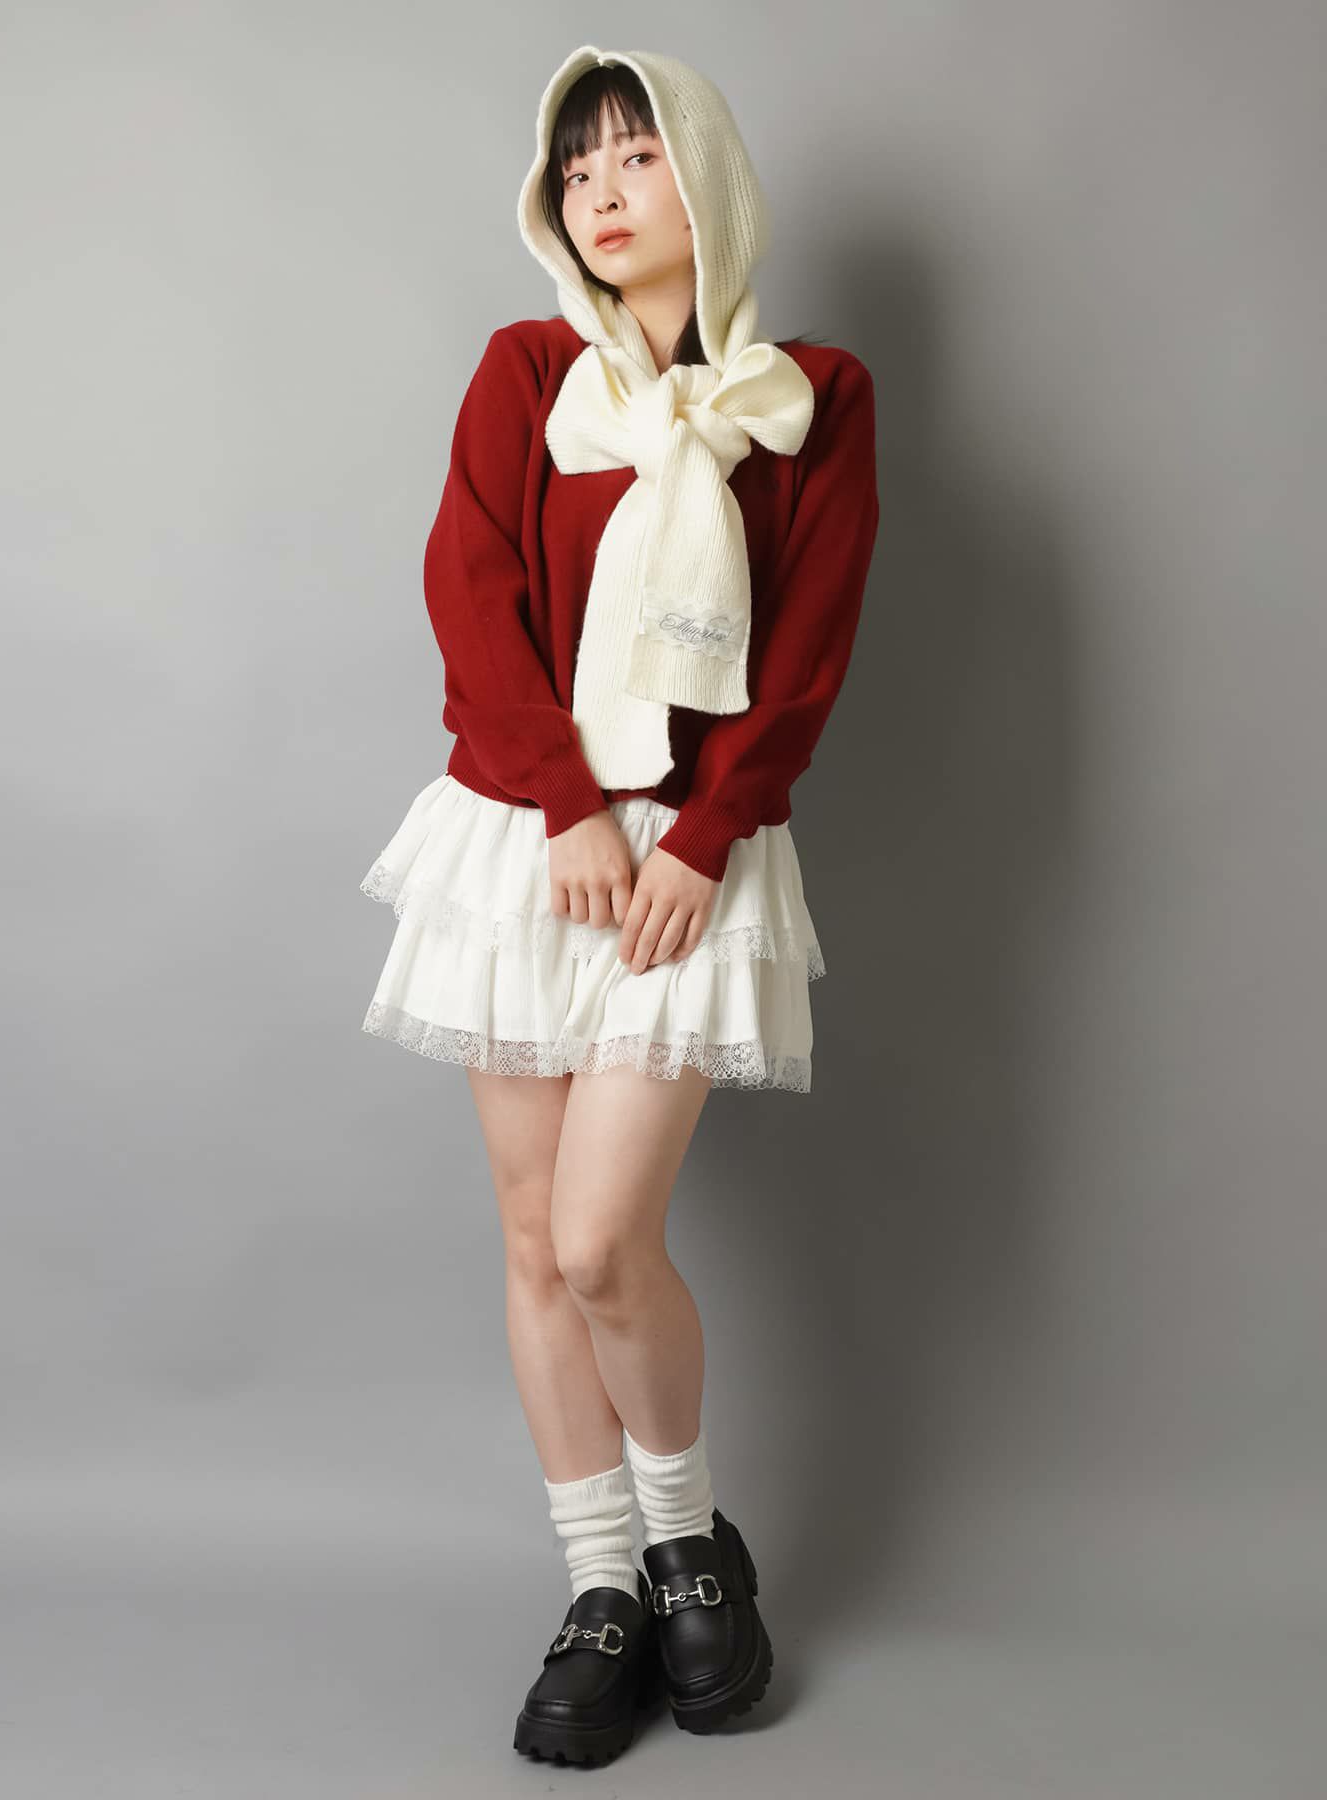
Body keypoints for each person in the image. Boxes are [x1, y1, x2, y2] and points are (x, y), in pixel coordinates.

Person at [358, 44, 879, 1765]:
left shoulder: (813, 397)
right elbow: (472, 595)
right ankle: (606, 1587)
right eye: (575, 166)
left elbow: (807, 652)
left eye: (634, 153)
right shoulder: (526, 375)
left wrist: (696, 836)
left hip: (694, 854)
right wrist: (570, 806)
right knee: (533, 1240)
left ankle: (688, 1547)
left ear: (703, 179)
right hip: (529, 833)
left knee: (602, 1241)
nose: (599, 188)